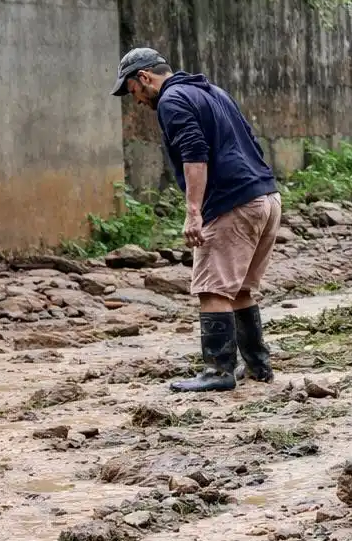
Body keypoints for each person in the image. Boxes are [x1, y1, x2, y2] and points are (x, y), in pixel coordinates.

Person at [110, 48, 281, 392]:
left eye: (134, 93)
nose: (138, 102)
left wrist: (193, 212)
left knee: (212, 289)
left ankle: (218, 372)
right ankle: (258, 366)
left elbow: (194, 153)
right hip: (266, 197)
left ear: (144, 78)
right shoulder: (212, 91)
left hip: (231, 204)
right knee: (241, 288)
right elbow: (251, 139)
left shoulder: (172, 101)